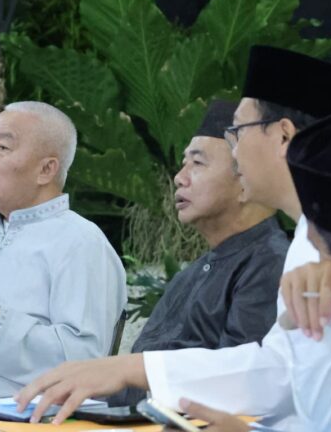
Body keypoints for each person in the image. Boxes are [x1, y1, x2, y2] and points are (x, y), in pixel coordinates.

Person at [16, 46, 331, 426]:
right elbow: (281, 368)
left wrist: (134, 370)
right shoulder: (310, 238)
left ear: (284, 136)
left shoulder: (323, 247)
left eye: (237, 132)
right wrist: (132, 369)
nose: (234, 152)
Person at [0, 101, 127, 398]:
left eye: (3, 148)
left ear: (46, 169)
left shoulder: (81, 242)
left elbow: (85, 362)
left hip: (15, 417)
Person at [108, 99, 289, 406]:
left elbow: (241, 388)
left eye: (197, 163)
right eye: (184, 163)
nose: (180, 177)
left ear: (244, 181)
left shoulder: (271, 264)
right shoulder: (191, 275)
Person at [181, 111, 331, 431]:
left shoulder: (274, 259)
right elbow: (324, 419)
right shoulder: (313, 269)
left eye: (239, 131)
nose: (235, 153)